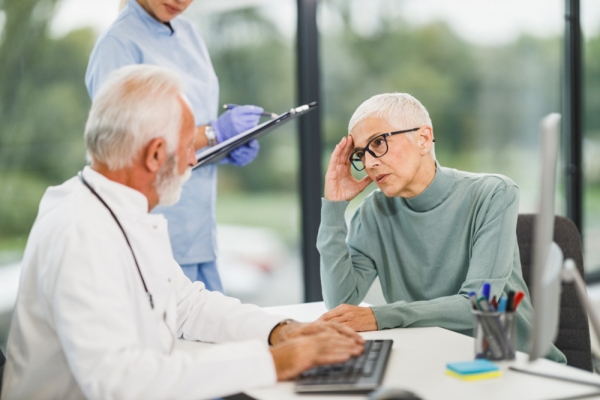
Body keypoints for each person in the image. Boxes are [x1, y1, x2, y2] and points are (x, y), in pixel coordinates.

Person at [0, 65, 364, 400]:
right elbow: (118, 383)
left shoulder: (123, 210)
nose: (194, 159)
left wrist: (280, 331)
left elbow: (186, 304)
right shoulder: (79, 232)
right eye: (189, 145)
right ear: (156, 154)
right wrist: (275, 362)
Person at [315, 92, 565, 363]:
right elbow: (341, 302)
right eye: (361, 154)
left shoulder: (493, 193)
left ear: (423, 139)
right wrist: (334, 207)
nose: (369, 163)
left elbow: (479, 302)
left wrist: (382, 316)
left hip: (513, 363)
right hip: (434, 357)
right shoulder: (373, 211)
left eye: (377, 143)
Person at [85, 0, 264, 292]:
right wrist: (214, 132)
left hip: (198, 231)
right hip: (153, 227)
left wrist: (223, 148)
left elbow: (185, 127)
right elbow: (126, 145)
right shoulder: (117, 44)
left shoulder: (190, 32)